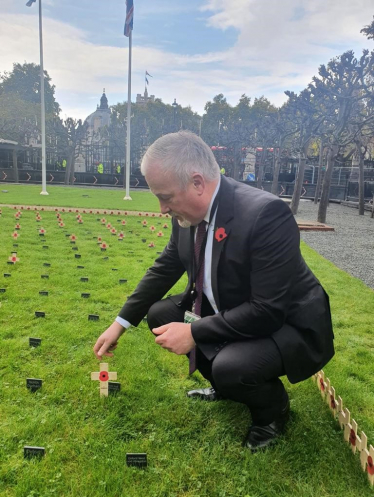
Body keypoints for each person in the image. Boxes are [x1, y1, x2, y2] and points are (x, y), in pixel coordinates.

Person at [93, 131, 334, 451]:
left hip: (286, 323)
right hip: (232, 308)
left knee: (231, 366)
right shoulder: (186, 215)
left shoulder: (266, 215)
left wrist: (194, 334)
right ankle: (223, 385)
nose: (161, 209)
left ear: (197, 183)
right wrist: (120, 322)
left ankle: (272, 413)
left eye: (165, 197)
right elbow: (165, 267)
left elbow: (268, 310)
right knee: (160, 315)